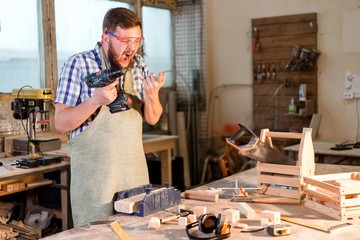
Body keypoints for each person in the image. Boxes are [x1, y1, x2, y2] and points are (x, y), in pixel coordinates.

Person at [54, 7, 165, 227]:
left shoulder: (139, 65)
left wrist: (153, 96)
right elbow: (60, 123)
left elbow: (152, 119)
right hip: (96, 189)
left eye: (137, 41)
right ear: (106, 36)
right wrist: (94, 101)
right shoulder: (78, 65)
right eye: (124, 40)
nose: (131, 48)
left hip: (134, 183)